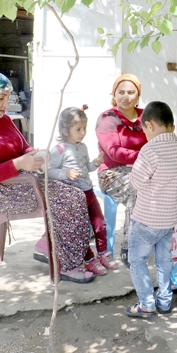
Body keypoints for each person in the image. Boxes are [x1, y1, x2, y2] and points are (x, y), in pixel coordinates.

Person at [0, 69, 94, 283]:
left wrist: (35, 155)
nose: (5, 104)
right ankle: (65, 264)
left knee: (77, 194)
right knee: (68, 199)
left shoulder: (5, 121)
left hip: (26, 182)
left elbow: (23, 147)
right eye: (1, 98)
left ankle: (55, 248)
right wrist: (18, 164)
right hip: (2, 192)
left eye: (7, 98)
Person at [124, 101, 177, 318]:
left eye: (144, 129)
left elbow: (136, 182)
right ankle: (164, 302)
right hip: (169, 221)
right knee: (164, 262)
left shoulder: (149, 150)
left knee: (137, 260)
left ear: (149, 126)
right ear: (170, 125)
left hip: (146, 219)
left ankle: (146, 303)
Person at [48, 105, 118, 276]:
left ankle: (103, 254)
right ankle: (89, 259)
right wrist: (66, 173)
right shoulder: (59, 150)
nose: (82, 132)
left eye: (84, 128)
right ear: (65, 130)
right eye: (78, 129)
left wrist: (95, 163)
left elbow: (86, 168)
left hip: (88, 192)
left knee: (100, 224)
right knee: (81, 230)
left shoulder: (83, 147)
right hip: (73, 197)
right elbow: (48, 171)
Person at [96, 74, 148, 267]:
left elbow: (158, 139)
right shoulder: (108, 118)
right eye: (121, 92)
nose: (126, 97)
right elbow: (114, 152)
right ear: (114, 94)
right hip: (111, 173)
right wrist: (146, 155)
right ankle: (130, 247)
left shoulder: (145, 116)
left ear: (138, 95)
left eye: (131, 92)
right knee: (137, 188)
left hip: (142, 170)